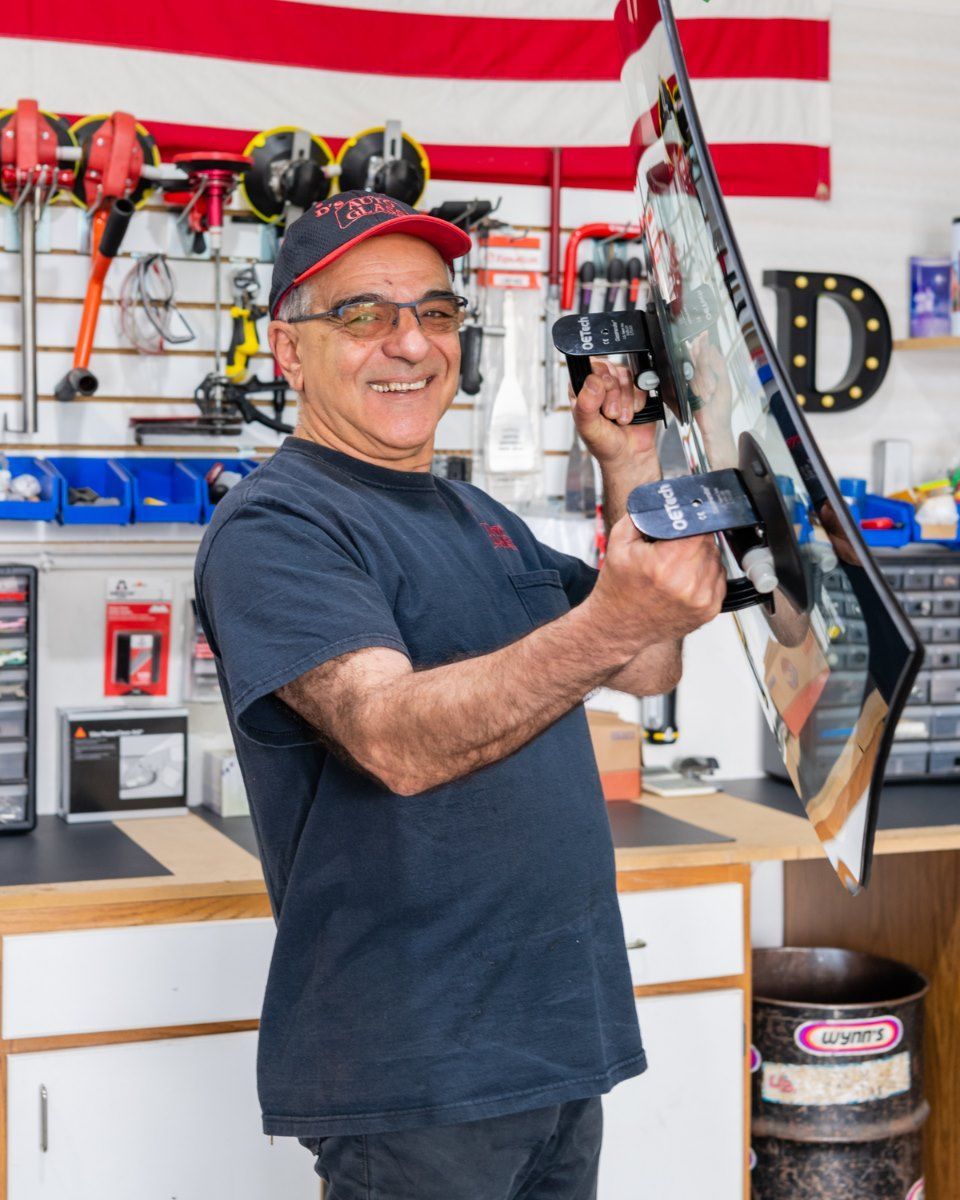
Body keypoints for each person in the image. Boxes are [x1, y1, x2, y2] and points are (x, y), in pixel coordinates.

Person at [195, 189, 725, 1200]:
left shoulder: (478, 515)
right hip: (422, 1069)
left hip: (558, 1040)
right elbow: (393, 740)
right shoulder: (278, 528)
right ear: (287, 350)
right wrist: (614, 618)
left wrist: (632, 463)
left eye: (435, 312)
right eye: (362, 315)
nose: (410, 342)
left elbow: (647, 666)